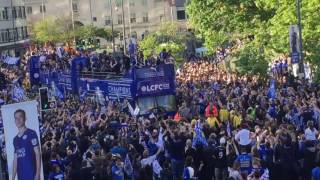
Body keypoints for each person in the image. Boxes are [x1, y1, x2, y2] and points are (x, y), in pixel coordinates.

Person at [12, 109, 41, 180]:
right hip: (21, 176)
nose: (18, 120)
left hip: (32, 174)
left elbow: (38, 154)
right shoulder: (15, 139)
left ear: (25, 118)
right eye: (16, 118)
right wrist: (13, 178)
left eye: (20, 117)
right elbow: (15, 160)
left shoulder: (31, 133)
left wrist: (37, 174)